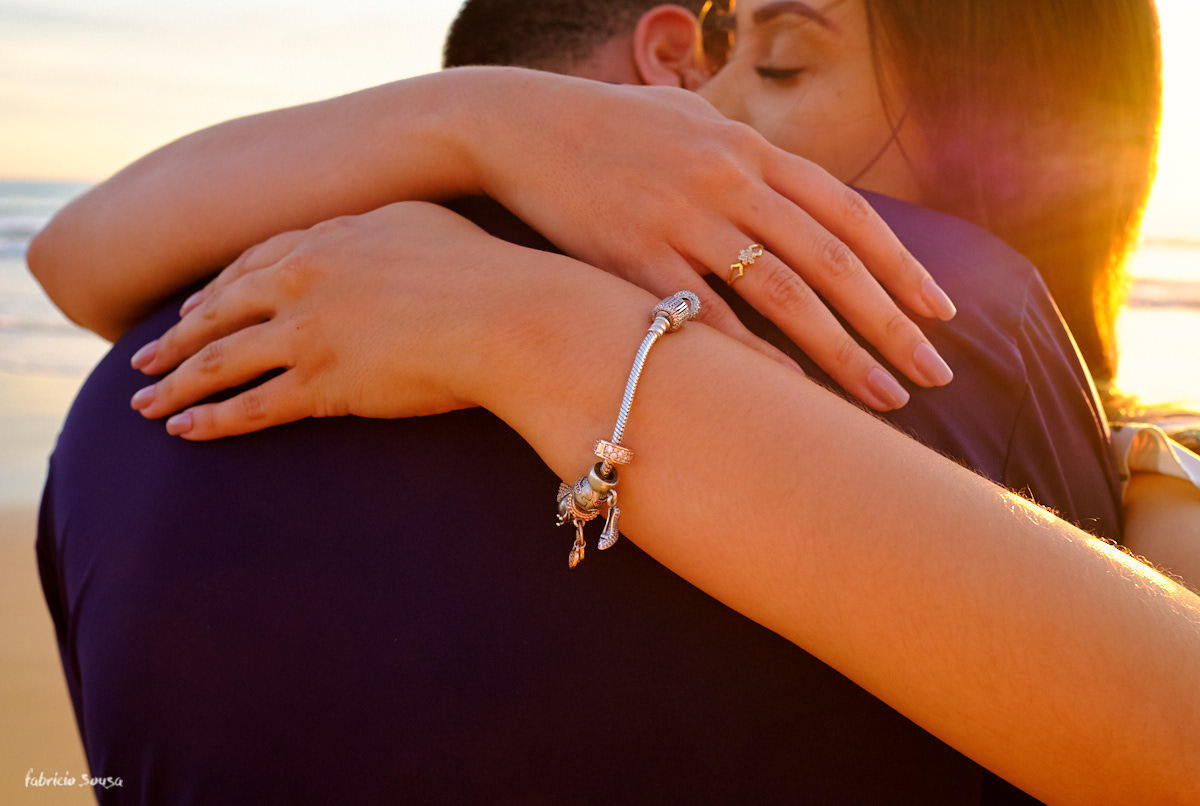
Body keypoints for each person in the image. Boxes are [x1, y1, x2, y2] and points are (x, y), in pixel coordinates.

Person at [28, 1, 1197, 803]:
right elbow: (75, 255)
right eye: (718, 52)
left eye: (781, 65)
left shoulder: (1133, 459)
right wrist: (493, 122)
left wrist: (527, 322)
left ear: (1016, 122)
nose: (699, 107)